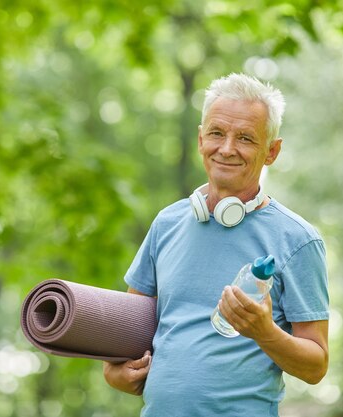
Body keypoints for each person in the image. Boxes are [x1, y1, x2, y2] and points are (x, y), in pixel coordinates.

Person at [103, 73, 329, 416]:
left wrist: (265, 332)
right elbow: (129, 340)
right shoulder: (167, 223)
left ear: (272, 151)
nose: (226, 148)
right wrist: (115, 373)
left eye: (245, 138)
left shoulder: (298, 239)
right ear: (200, 139)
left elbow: (316, 366)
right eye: (217, 133)